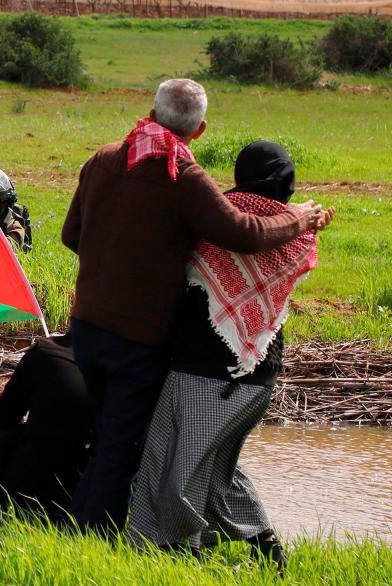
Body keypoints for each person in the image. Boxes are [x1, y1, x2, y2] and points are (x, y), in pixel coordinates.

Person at [60, 78, 334, 536]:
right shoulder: (181, 175)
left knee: (104, 437)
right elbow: (246, 233)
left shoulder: (104, 158)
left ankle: (80, 530)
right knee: (122, 449)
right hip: (139, 339)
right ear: (201, 129)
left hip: (87, 326)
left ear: (150, 110)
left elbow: (72, 235)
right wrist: (301, 217)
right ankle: (91, 539)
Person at [126, 141, 327, 571]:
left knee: (175, 460)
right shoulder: (297, 229)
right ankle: (265, 546)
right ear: (286, 183)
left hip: (204, 365)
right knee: (216, 464)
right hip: (259, 367)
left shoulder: (220, 217)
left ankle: (182, 550)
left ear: (240, 173)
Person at [0, 334, 91, 523]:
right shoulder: (126, 361)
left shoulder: (46, 351)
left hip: (31, 472)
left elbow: (5, 416)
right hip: (91, 479)